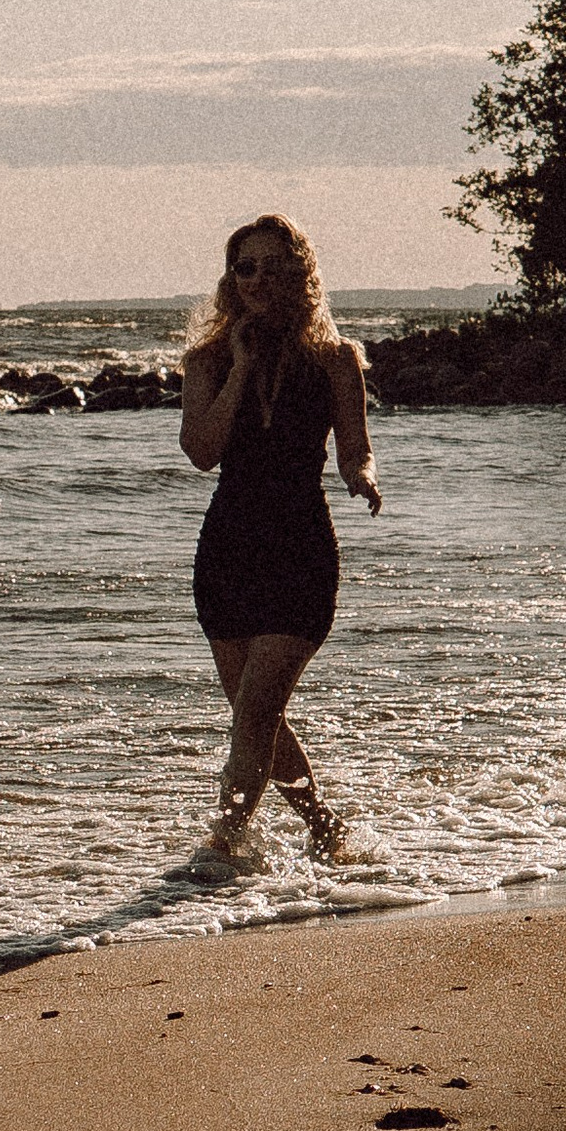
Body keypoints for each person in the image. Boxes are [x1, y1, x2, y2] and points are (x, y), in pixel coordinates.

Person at [179, 214, 380, 868]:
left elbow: (356, 451)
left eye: (272, 265)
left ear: (297, 273)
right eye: (246, 267)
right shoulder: (206, 360)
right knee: (252, 713)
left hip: (300, 550)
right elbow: (201, 453)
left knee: (255, 714)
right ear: (231, 279)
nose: (259, 278)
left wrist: (362, 479)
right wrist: (239, 367)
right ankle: (324, 828)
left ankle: (224, 843)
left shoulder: (335, 359)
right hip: (229, 550)